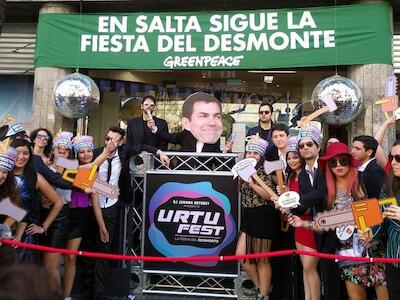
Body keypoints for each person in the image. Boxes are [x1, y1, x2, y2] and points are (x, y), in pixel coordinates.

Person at [290, 142, 388, 300]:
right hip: (347, 253)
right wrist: (302, 223)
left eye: (343, 160)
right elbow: (325, 224)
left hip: (373, 248)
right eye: (333, 162)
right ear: (328, 166)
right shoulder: (327, 191)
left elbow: (383, 208)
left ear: (350, 161)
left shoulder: (365, 180)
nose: (338, 165)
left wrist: (373, 232)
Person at [92, 126, 169, 299]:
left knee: (108, 248)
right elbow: (80, 176)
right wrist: (107, 189)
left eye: (113, 140)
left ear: (121, 142)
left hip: (113, 206)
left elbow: (142, 146)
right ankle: (93, 291)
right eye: (107, 138)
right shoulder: (96, 152)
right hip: (94, 205)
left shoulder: (124, 151)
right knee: (94, 250)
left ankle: (103, 291)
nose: (109, 142)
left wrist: (160, 152)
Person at [235, 135, 280, 300]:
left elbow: (270, 196)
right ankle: (263, 287)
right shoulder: (243, 171)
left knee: (262, 260)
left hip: (264, 215)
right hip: (249, 216)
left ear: (261, 156)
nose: (251, 155)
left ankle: (263, 295)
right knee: (242, 256)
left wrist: (253, 183)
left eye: (256, 153)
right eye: (249, 152)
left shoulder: (265, 170)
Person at [11, 139, 63, 264]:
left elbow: (58, 202)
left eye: (25, 153)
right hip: (5, 233)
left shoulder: (36, 178)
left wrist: (43, 227)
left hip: (27, 238)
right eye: (18, 153)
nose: (21, 157)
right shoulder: (4, 174)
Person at [360, 140, 400, 299]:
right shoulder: (388, 185)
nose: (393, 162)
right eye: (391, 157)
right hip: (393, 261)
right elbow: (381, 222)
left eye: (399, 158)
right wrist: (371, 234)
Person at [285, 137, 320, 300]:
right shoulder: (290, 177)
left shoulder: (309, 175)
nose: (292, 161)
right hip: (297, 225)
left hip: (309, 223)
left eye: (295, 157)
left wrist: (291, 205)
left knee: (309, 268)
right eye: (289, 158)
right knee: (304, 268)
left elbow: (308, 203)